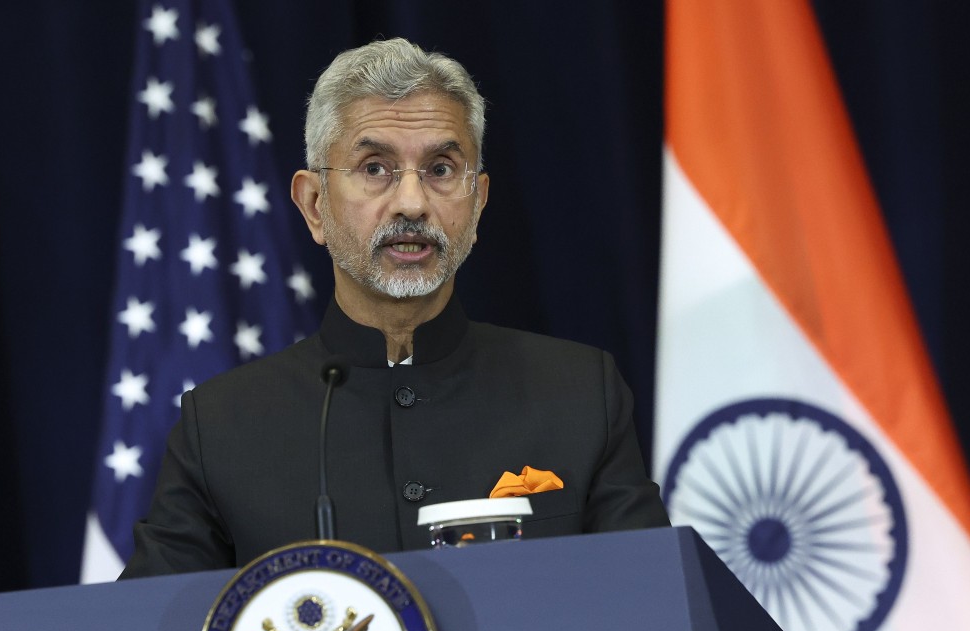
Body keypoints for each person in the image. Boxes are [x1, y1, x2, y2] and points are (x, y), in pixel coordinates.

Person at [121, 38, 669, 578]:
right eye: (375, 167)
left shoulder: (578, 394)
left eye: (441, 169)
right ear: (315, 204)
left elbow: (655, 613)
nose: (412, 202)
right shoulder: (221, 426)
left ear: (477, 203)